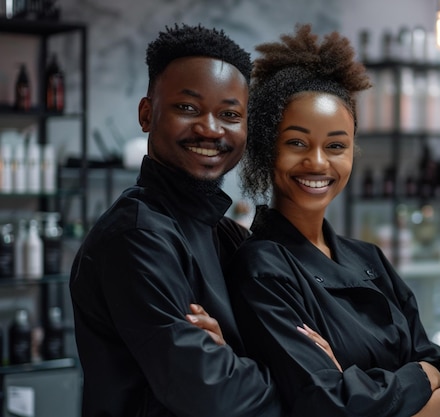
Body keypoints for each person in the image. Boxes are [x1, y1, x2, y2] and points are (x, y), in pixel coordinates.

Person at [191, 24, 440, 417]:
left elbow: (435, 361)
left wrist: (368, 389)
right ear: (269, 150)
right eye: (297, 143)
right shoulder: (262, 270)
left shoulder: (370, 260)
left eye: (336, 145)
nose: (318, 162)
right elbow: (330, 405)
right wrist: (424, 379)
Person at [69, 23, 286, 417]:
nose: (209, 127)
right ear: (147, 113)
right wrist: (301, 386)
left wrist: (235, 357)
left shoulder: (224, 233)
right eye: (187, 108)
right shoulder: (136, 238)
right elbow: (211, 394)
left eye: (229, 114)